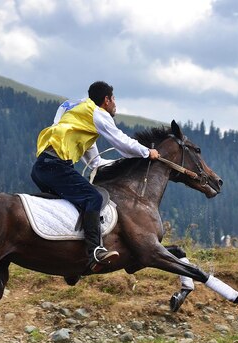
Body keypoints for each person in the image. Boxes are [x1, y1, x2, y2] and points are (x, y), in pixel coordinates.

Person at [31, 81, 159, 272]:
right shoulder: (98, 114)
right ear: (106, 100)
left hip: (42, 168)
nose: (115, 103)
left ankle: (67, 260)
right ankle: (94, 252)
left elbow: (95, 162)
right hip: (56, 167)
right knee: (93, 198)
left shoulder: (79, 113)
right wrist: (147, 152)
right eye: (114, 99)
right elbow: (121, 141)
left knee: (73, 207)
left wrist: (124, 165)